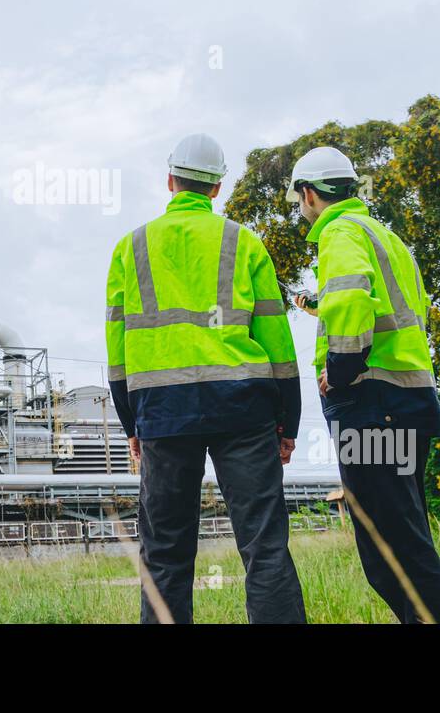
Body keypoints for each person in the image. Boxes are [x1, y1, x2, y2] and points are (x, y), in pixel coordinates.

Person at [105, 133, 306, 624]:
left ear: (170, 180)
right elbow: (278, 343)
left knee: (165, 552)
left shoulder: (130, 248)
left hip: (162, 413)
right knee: (264, 544)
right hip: (244, 407)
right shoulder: (244, 242)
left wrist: (133, 425)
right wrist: (291, 422)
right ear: (217, 187)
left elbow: (117, 352)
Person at [287, 145, 440, 623]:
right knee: (406, 535)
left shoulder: (338, 232)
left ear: (308, 194)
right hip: (409, 398)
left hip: (372, 403)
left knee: (389, 551)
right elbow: (384, 310)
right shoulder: (384, 235)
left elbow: (354, 305)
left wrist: (338, 373)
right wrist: (318, 306)